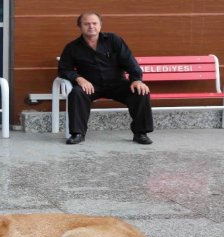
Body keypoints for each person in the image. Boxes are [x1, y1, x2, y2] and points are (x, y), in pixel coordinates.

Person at [58, 12, 154, 145]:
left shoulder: (113, 40)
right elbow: (64, 69)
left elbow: (130, 61)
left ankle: (140, 133)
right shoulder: (72, 47)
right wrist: (79, 78)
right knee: (76, 93)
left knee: (141, 92)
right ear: (79, 26)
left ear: (100, 25)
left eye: (94, 23)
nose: (91, 26)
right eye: (86, 24)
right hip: (91, 86)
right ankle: (78, 133)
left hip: (117, 84)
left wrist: (136, 79)